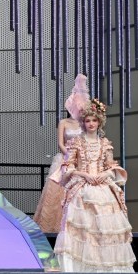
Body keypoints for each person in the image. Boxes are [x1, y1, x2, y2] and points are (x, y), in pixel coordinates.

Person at [54, 98, 135, 272]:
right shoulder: (76, 142)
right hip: (82, 187)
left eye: (94, 120)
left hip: (102, 187)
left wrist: (105, 174)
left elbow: (110, 166)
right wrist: (84, 175)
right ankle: (80, 268)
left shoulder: (104, 143)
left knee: (105, 228)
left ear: (99, 122)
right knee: (83, 228)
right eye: (87, 120)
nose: (91, 124)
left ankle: (105, 267)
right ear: (83, 123)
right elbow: (68, 165)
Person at [33, 74, 89, 232]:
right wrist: (69, 156)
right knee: (57, 193)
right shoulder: (63, 122)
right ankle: (54, 227)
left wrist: (80, 157)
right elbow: (60, 144)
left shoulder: (85, 123)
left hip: (81, 160)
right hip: (65, 159)